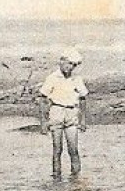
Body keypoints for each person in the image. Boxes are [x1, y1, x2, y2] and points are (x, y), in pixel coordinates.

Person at [38, 49, 89, 177]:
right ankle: (56, 176)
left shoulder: (76, 79)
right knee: (57, 148)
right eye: (68, 63)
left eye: (73, 65)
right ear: (61, 62)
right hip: (56, 111)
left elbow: (83, 98)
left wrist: (82, 120)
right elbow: (43, 99)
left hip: (72, 112)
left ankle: (76, 177)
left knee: (73, 149)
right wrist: (44, 122)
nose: (69, 67)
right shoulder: (52, 78)